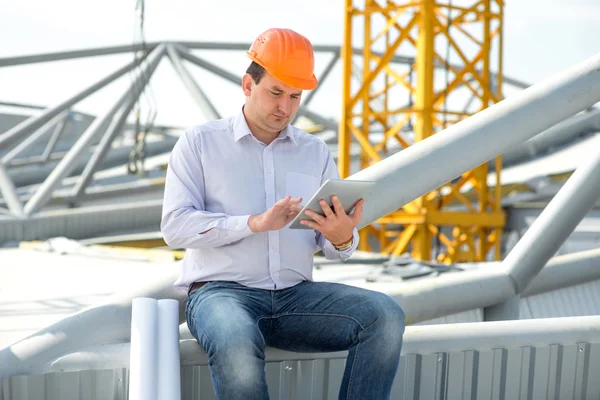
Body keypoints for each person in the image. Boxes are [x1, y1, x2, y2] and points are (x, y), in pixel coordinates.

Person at [161, 28, 406, 400]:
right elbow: (174, 227)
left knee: (385, 316)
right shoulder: (200, 143)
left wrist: (341, 236)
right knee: (235, 341)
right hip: (221, 294)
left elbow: (334, 246)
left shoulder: (315, 152)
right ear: (248, 85)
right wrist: (253, 224)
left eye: (295, 97)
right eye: (276, 93)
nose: (286, 108)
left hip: (295, 297)